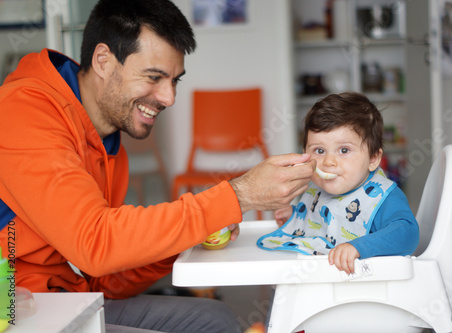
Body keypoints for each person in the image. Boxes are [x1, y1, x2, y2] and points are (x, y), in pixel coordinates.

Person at [0, 0, 315, 332]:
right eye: (154, 77)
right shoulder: (22, 112)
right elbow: (96, 243)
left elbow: (108, 280)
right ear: (103, 60)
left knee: (214, 319)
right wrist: (238, 196)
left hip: (68, 299)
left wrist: (189, 235)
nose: (169, 97)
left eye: (175, 80)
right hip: (16, 310)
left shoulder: (107, 142)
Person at [258, 92, 419, 275]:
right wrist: (297, 217)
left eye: (344, 150)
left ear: (373, 158)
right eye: (319, 150)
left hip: (365, 289)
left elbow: (408, 233)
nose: (328, 162)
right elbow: (326, 223)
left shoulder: (382, 197)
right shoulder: (318, 189)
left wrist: (358, 247)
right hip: (321, 281)